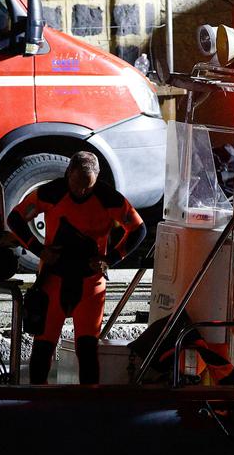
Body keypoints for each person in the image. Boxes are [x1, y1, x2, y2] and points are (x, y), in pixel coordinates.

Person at [8, 151, 144, 385]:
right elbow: (16, 219)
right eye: (77, 183)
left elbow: (138, 229)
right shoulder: (51, 192)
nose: (81, 190)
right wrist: (39, 250)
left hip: (90, 283)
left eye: (87, 186)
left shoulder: (108, 198)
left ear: (97, 178)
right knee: (43, 346)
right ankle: (36, 404)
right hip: (53, 280)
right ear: (68, 173)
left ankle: (88, 408)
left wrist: (111, 259)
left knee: (87, 349)